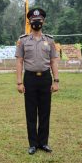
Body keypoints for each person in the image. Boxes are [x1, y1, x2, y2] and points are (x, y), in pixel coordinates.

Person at [15, 8, 59, 155]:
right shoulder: (23, 40)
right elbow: (20, 62)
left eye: (39, 20)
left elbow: (53, 61)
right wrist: (19, 82)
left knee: (45, 112)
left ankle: (43, 143)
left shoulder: (50, 40)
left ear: (43, 21)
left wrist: (56, 80)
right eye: (33, 20)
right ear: (29, 22)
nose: (36, 22)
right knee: (31, 112)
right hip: (30, 79)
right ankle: (33, 144)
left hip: (46, 78)